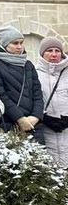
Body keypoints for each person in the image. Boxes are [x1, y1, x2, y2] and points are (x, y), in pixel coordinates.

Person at [0, 26, 44, 138]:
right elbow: (0, 95)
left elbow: (37, 93)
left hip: (33, 124)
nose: (19, 47)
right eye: (15, 43)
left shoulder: (28, 65)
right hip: (9, 122)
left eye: (21, 43)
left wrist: (36, 116)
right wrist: (19, 118)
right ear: (4, 45)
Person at [35, 36, 68, 167]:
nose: (54, 54)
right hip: (46, 128)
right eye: (49, 51)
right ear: (42, 53)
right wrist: (44, 118)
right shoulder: (35, 74)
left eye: (57, 50)